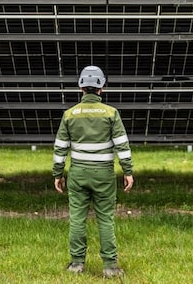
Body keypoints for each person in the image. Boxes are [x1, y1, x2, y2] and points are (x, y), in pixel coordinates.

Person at [52, 65, 134, 278]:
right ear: (102, 88)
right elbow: (122, 145)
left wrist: (58, 174)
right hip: (104, 176)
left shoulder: (69, 115)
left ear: (81, 87)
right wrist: (128, 171)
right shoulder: (111, 113)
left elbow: (60, 148)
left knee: (77, 219)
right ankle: (110, 267)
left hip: (78, 175)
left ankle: (77, 264)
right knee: (106, 219)